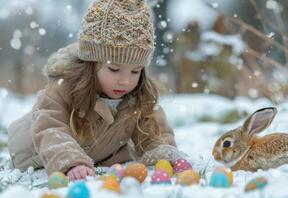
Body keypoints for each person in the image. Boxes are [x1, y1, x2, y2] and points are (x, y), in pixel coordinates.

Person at [7, 0, 182, 181]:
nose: (125, 80)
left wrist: (161, 152)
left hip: (97, 153)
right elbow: (50, 126)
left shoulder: (136, 96)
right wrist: (71, 161)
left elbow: (151, 130)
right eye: (114, 69)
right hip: (32, 152)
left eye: (135, 71)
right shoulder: (66, 85)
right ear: (91, 63)